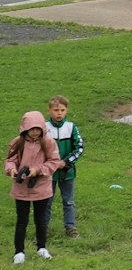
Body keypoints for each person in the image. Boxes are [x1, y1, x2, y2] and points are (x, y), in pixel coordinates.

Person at [7, 110, 59, 263]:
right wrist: (12, 170)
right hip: (21, 187)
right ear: (25, 128)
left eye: (38, 129)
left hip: (41, 186)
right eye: (32, 129)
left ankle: (41, 248)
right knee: (22, 219)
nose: (35, 132)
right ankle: (19, 252)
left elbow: (54, 161)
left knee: (40, 218)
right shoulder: (18, 142)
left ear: (42, 128)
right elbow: (10, 160)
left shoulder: (48, 142)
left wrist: (38, 170)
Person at [47, 95, 82, 238]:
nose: (59, 113)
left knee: (68, 200)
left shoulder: (71, 127)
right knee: (46, 201)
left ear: (66, 110)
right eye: (56, 110)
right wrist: (51, 164)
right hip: (49, 173)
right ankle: (44, 227)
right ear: (49, 111)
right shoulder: (44, 128)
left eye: (62, 110)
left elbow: (79, 148)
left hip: (67, 172)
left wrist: (66, 162)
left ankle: (70, 226)